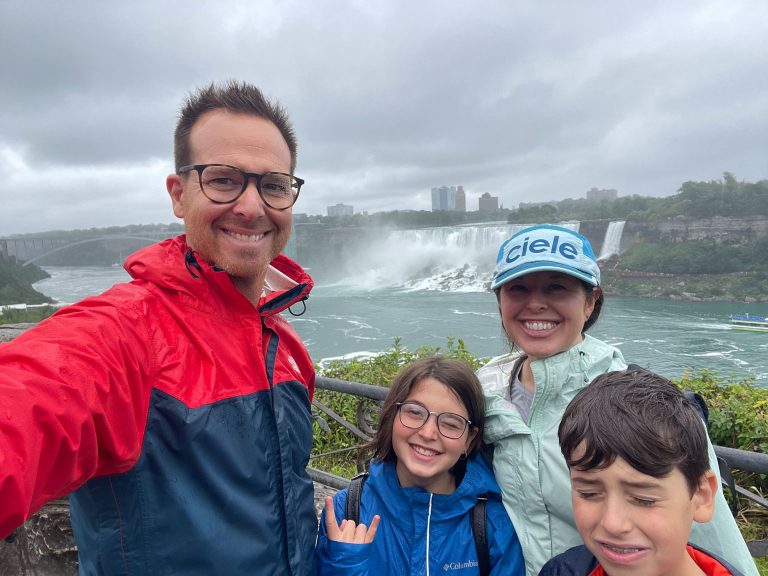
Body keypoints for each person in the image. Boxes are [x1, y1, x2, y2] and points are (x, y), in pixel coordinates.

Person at [0, 81, 317, 575]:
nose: (252, 206)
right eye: (224, 179)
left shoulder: (283, 345)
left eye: (274, 185)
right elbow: (26, 404)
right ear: (178, 194)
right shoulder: (124, 334)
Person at [477, 224, 756, 576]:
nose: (535, 303)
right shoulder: (487, 390)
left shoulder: (644, 406)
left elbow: (715, 542)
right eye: (517, 288)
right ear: (500, 301)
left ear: (590, 301)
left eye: (557, 287)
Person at [315, 356, 525, 576]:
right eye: (415, 413)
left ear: (469, 441)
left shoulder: (493, 524)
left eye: (450, 424)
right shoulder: (347, 509)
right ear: (392, 416)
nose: (428, 433)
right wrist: (346, 566)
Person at [539, 368, 747, 575]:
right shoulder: (561, 571)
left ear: (701, 496)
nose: (613, 524)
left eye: (644, 499)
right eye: (589, 493)